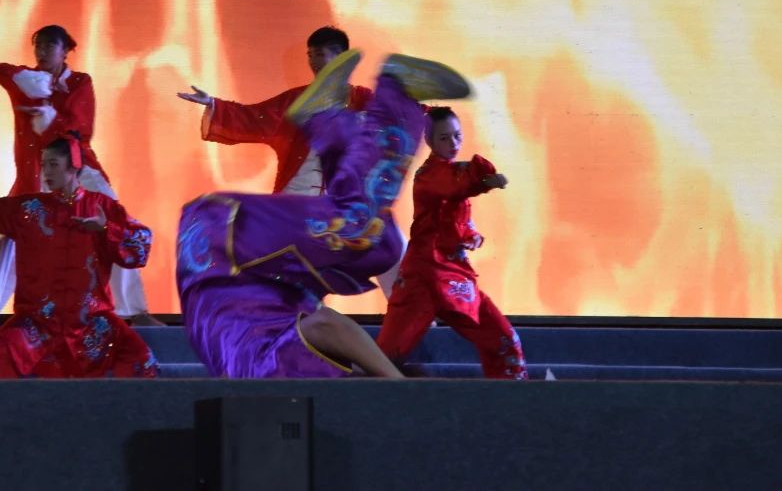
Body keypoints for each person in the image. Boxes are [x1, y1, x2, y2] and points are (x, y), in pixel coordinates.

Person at [176, 49, 470, 378]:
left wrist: (395, 385)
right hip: (240, 264)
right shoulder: (255, 369)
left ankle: (396, 88)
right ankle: (326, 119)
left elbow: (327, 325)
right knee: (379, 242)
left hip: (223, 241)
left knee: (363, 231)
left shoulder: (274, 373)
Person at [0, 134, 158, 379]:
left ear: (74, 166)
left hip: (91, 322)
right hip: (36, 323)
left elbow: (139, 246)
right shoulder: (29, 209)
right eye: (44, 165)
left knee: (141, 360)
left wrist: (105, 229)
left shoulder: (102, 207)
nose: (46, 172)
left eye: (54, 164)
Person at [178, 26, 406, 294]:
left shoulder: (364, 101)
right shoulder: (297, 100)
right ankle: (282, 311)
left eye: (320, 54)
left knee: (390, 248)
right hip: (299, 198)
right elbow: (255, 117)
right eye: (310, 55)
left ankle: (408, 310)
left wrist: (428, 115)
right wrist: (214, 104)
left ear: (342, 57)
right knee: (286, 271)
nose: (313, 61)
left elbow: (398, 120)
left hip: (348, 201)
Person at [0, 24, 159, 327]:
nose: (42, 51)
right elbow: (0, 70)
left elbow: (79, 131)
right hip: (35, 172)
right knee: (11, 243)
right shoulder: (26, 81)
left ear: (65, 51)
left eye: (50, 46)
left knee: (113, 225)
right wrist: (28, 81)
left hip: (79, 169)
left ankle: (134, 312)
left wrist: (50, 118)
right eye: (38, 46)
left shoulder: (79, 83)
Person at [376, 107, 528, 379]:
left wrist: (470, 236)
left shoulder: (448, 174)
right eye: (444, 138)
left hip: (453, 275)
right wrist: (486, 180)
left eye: (457, 136)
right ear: (430, 141)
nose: (453, 143)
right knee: (386, 356)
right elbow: (455, 185)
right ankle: (350, 398)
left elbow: (455, 215)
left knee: (504, 341)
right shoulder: (429, 175)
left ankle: (512, 400)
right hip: (423, 278)